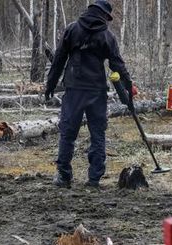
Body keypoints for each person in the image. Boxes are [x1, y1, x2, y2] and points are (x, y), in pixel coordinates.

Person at [45, 0, 136, 189]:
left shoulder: (72, 29)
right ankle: (94, 180)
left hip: (74, 89)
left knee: (68, 133)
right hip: (96, 90)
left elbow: (59, 59)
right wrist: (129, 85)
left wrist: (50, 84)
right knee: (97, 134)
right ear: (104, 15)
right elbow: (117, 65)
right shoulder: (107, 36)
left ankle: (63, 177)